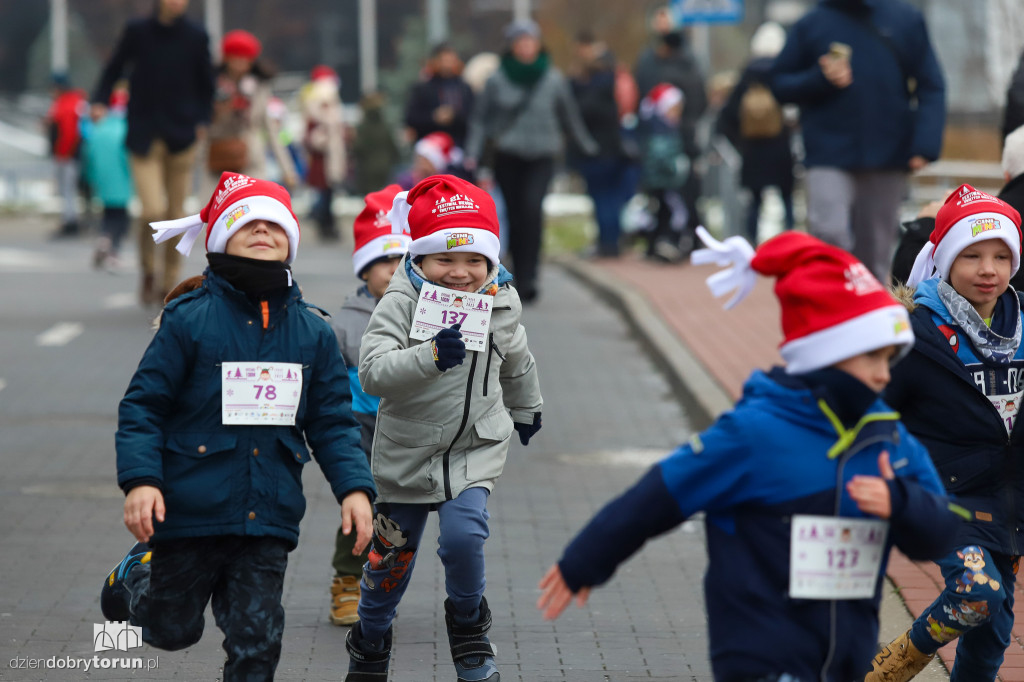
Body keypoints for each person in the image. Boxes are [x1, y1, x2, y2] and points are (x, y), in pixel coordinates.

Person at [537, 228, 956, 680]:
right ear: (826, 354)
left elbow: (939, 534)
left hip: (845, 662)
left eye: (889, 359)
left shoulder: (888, 439)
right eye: (870, 358)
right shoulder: (754, 433)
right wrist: (584, 561)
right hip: (760, 657)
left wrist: (901, 504)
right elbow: (659, 495)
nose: (883, 375)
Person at [100, 172, 375, 681]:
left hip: (267, 518)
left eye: (275, 225)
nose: (264, 231)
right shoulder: (189, 320)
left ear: (290, 241)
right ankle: (136, 574)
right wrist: (142, 481)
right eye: (250, 223)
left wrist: (355, 489)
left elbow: (334, 422)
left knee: (258, 644)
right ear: (223, 235)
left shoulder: (313, 331)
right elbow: (143, 407)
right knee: (172, 630)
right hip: (189, 513)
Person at [345, 174, 543, 682]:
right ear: (420, 258)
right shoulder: (402, 300)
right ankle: (370, 640)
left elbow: (516, 359)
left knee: (463, 538)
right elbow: (373, 371)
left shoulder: (501, 300)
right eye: (445, 260)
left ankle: (469, 628)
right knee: (390, 559)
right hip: (407, 451)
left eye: (474, 260)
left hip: (473, 448)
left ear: (491, 261)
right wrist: (429, 357)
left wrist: (528, 408)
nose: (460, 273)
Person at [867, 185, 1024, 682]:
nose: (988, 269)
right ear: (944, 259)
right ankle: (891, 667)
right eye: (972, 255)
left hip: (1008, 501)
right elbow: (872, 409)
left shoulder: (1021, 326)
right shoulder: (916, 332)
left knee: (991, 636)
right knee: (976, 593)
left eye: (1002, 256)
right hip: (942, 495)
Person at [770, 0, 946, 282]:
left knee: (875, 253)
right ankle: (831, 310)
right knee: (829, 234)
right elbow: (779, 83)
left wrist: (925, 144)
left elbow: (931, 84)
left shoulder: (905, 18)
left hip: (887, 153)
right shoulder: (812, 22)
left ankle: (869, 319)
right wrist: (820, 78)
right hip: (827, 153)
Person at [464, 19, 598, 303]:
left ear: (538, 45)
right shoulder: (497, 79)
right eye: (520, 42)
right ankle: (515, 272)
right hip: (508, 155)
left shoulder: (553, 78)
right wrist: (472, 153)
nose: (526, 47)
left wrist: (586, 144)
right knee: (514, 213)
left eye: (530, 41)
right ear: (512, 46)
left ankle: (530, 276)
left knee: (532, 210)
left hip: (542, 155)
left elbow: (568, 115)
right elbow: (481, 120)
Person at [92, 0, 215, 305]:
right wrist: (100, 100)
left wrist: (202, 120)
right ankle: (148, 269)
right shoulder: (138, 31)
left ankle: (168, 281)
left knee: (175, 215)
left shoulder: (196, 35)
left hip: (183, 135)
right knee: (151, 210)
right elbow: (114, 67)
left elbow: (207, 84)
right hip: (144, 133)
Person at [328, 184, 409, 626]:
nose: (394, 270)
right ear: (364, 268)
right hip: (358, 434)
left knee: (397, 521)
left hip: (408, 435)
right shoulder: (343, 323)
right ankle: (345, 581)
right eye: (384, 260)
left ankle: (379, 588)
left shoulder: (427, 313)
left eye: (403, 259)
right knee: (359, 510)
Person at [715, 21, 796, 244]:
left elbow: (727, 116)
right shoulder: (785, 73)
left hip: (752, 150)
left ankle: (751, 244)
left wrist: (739, 142)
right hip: (780, 147)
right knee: (786, 197)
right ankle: (792, 242)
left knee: (755, 201)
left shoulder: (746, 77)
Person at [633, 6, 709, 235]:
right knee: (657, 192)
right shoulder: (648, 59)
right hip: (655, 138)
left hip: (681, 138)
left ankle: (688, 236)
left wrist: (682, 122)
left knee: (686, 192)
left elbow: (698, 98)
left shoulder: (688, 61)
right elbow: (641, 95)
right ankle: (659, 238)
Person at [205, 30, 298, 192]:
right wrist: (222, 109)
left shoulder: (259, 87)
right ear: (226, 59)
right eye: (235, 58)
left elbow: (270, 129)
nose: (240, 64)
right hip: (219, 158)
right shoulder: (213, 84)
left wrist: (287, 170)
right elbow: (205, 125)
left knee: (252, 206)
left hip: (251, 158)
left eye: (245, 58)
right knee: (217, 210)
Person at [570, 31, 634, 258]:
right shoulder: (611, 81)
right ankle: (612, 242)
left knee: (603, 198)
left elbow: (584, 111)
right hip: (611, 148)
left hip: (598, 150)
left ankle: (608, 244)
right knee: (610, 198)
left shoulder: (594, 86)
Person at [82, 84, 133, 269]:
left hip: (103, 182)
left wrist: (92, 178)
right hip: (123, 181)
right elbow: (128, 159)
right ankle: (114, 250)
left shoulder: (98, 130)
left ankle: (104, 238)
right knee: (120, 217)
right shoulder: (126, 130)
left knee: (107, 215)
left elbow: (90, 159)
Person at [638, 83, 690, 262]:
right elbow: (661, 156)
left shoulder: (664, 127)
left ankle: (654, 246)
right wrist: (677, 166)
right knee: (668, 213)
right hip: (664, 179)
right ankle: (664, 244)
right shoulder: (662, 129)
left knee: (659, 213)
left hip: (661, 179)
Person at [302, 66, 347, 242]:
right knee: (324, 194)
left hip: (331, 160)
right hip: (322, 162)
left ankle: (327, 223)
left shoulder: (332, 111)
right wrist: (325, 139)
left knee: (329, 194)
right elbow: (311, 138)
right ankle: (324, 224)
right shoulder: (316, 113)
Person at [403, 43, 475, 148]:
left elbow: (473, 117)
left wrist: (454, 116)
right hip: (430, 146)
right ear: (435, 61)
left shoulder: (465, 88)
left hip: (459, 146)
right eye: (444, 60)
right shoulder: (423, 88)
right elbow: (411, 118)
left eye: (451, 60)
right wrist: (434, 117)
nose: (448, 65)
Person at [45, 73, 87, 239]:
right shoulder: (69, 102)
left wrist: (63, 154)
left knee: (67, 191)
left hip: (67, 156)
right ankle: (69, 220)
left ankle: (70, 222)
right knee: (67, 191)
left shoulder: (68, 103)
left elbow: (69, 133)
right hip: (68, 155)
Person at [351, 92, 400, 196]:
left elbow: (358, 148)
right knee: (382, 198)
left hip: (367, 168)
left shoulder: (363, 127)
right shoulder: (385, 125)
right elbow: (393, 146)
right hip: (384, 166)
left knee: (369, 199)